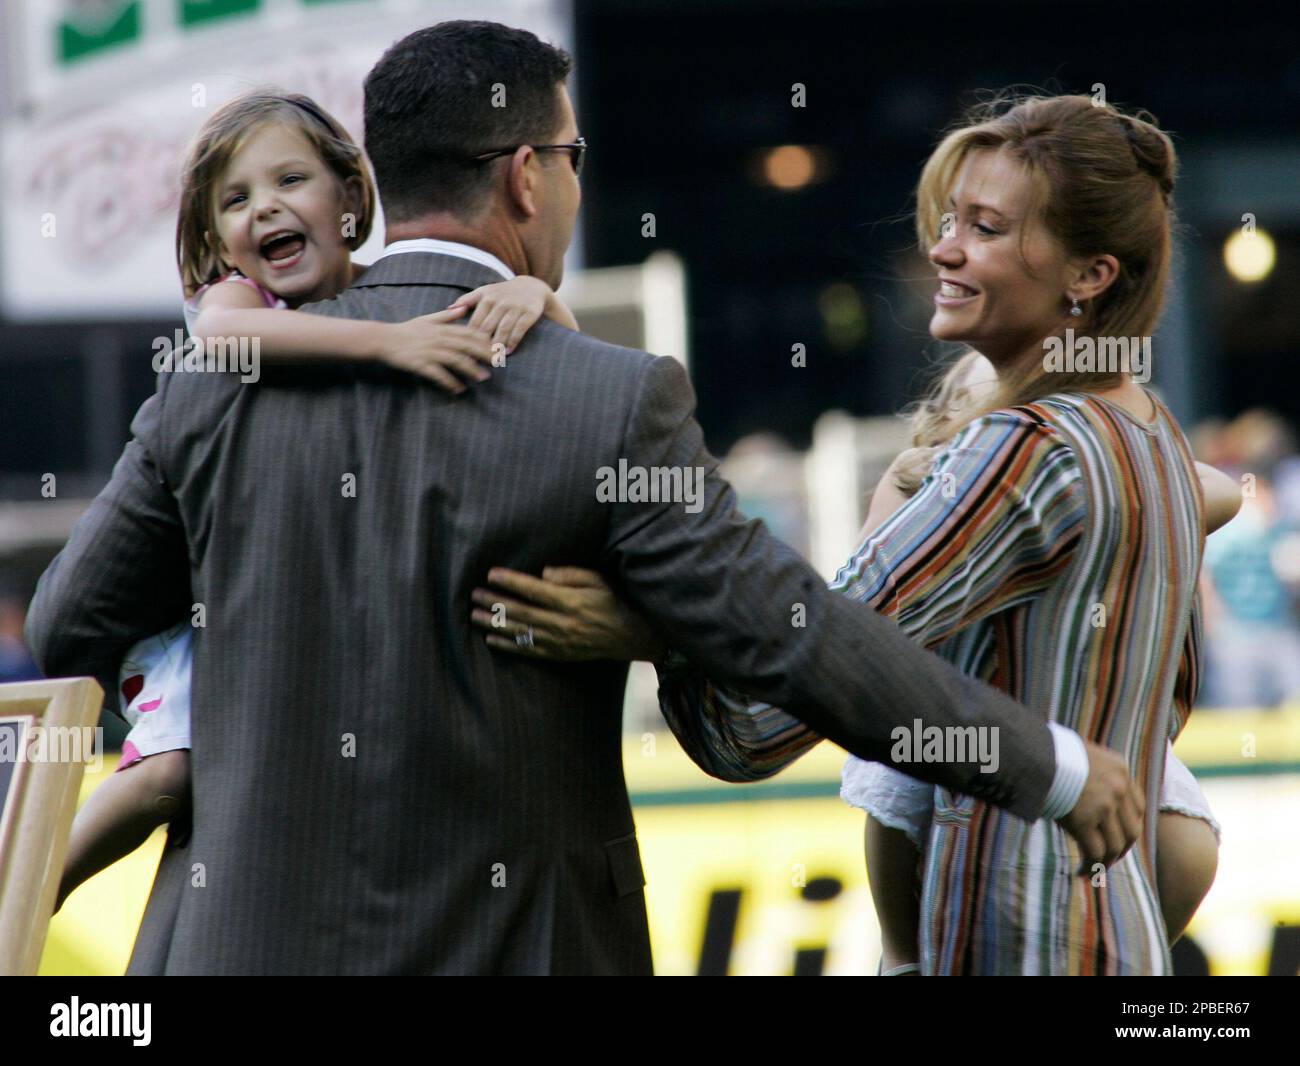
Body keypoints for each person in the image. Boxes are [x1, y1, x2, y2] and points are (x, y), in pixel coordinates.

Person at [25, 27, 1140, 975]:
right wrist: (1048, 766)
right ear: (522, 175)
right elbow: (792, 640)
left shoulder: (214, 389)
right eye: (571, 156)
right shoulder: (603, 398)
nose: (573, 180)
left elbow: (69, 625)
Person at [470, 93, 1202, 974]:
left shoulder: (1029, 452)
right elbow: (1167, 710)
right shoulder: (1151, 430)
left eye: (988, 227)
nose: (944, 247)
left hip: (1014, 942)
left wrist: (651, 626)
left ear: (1090, 276)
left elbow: (771, 706)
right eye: (949, 218)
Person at [51, 89, 575, 915]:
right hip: (188, 626)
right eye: (236, 200)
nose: (265, 208)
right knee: (168, 773)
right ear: (216, 237)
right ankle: (28, 891)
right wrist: (390, 344)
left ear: (351, 197)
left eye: (289, 180)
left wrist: (538, 298)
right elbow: (226, 341)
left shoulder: (391, 290)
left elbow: (570, 370)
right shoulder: (238, 304)